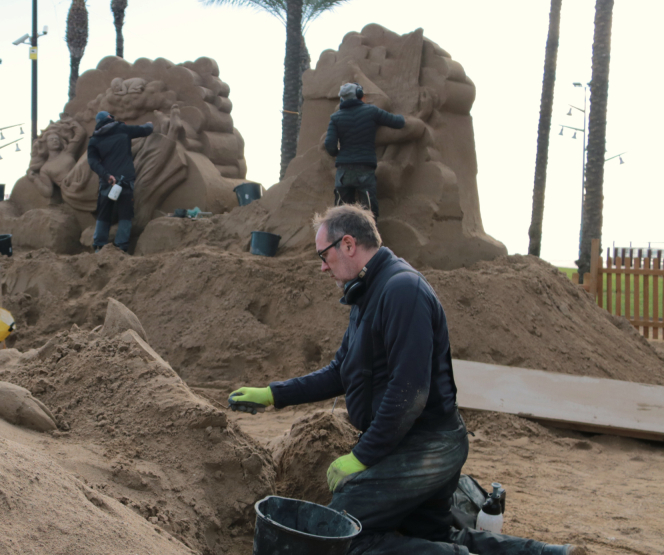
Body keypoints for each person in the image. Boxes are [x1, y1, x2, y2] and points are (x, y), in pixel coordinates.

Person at [228, 205, 585, 555]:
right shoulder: (367, 294)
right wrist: (274, 394)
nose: (322, 266)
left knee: (346, 533)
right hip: (415, 444)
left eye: (324, 255)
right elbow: (342, 370)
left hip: (428, 445)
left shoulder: (401, 290)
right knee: (432, 534)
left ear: (348, 245)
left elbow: (410, 390)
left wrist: (362, 457)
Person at [324, 83, 405, 219]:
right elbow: (398, 122)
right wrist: (404, 115)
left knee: (340, 214)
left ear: (342, 99)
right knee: (369, 213)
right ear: (359, 94)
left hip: (344, 171)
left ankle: (341, 239)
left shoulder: (335, 118)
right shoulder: (372, 111)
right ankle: (368, 239)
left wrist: (340, 154)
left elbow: (330, 146)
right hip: (364, 169)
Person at [86, 110, 153, 252]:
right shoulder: (122, 129)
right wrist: (150, 124)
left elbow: (92, 162)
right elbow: (144, 130)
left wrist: (106, 175)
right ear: (110, 118)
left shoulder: (95, 139)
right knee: (125, 214)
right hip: (125, 180)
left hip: (107, 181)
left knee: (104, 213)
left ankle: (99, 246)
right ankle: (121, 247)